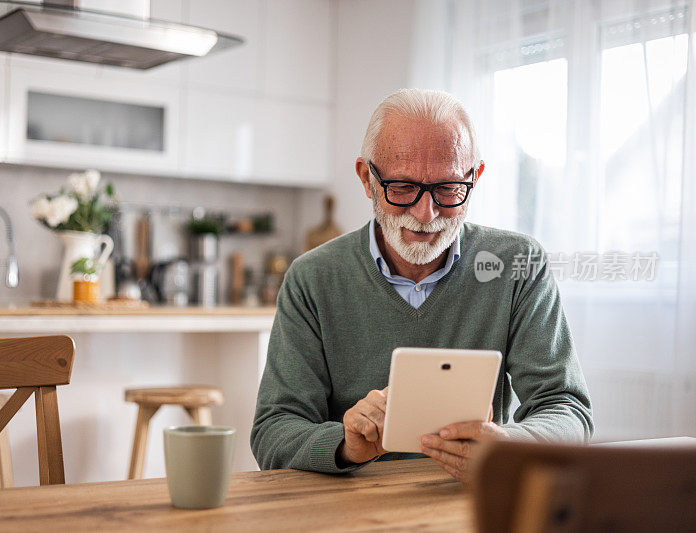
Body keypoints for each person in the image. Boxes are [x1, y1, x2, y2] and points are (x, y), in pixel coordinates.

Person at [251, 89, 593, 480]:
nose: (425, 213)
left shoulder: (517, 265)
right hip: (352, 509)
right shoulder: (312, 278)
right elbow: (273, 431)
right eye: (402, 188)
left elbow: (568, 410)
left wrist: (509, 447)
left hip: (472, 504)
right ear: (366, 178)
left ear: (474, 177)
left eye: (448, 189)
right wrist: (345, 445)